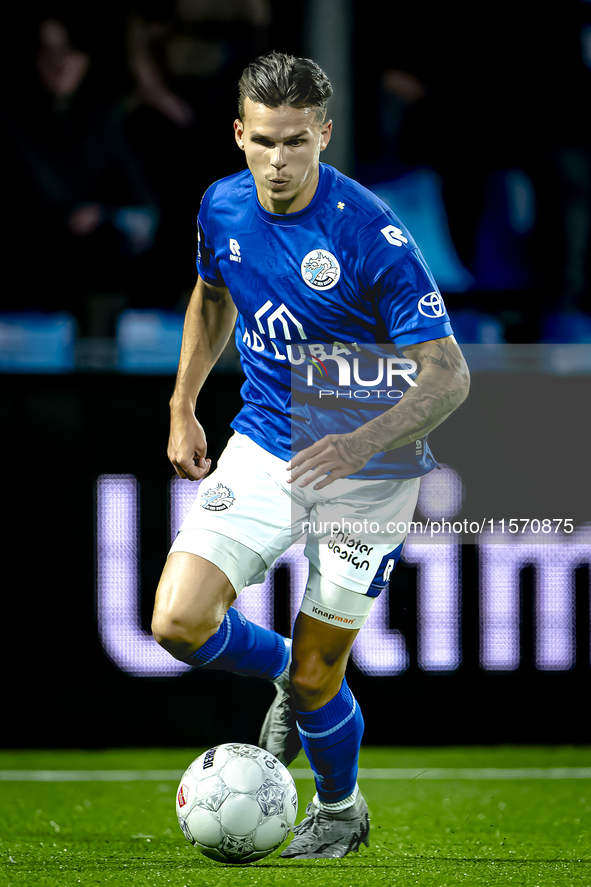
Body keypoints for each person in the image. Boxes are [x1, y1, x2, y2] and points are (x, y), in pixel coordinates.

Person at [152, 50, 470, 859]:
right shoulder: (220, 207)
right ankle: (286, 664)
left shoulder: (368, 233)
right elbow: (212, 293)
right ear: (238, 134)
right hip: (264, 440)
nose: (279, 160)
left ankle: (339, 808)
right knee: (178, 622)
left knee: (319, 682)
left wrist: (359, 440)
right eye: (263, 140)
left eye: (296, 141)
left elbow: (449, 374)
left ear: (323, 134)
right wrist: (183, 402)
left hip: (369, 470)